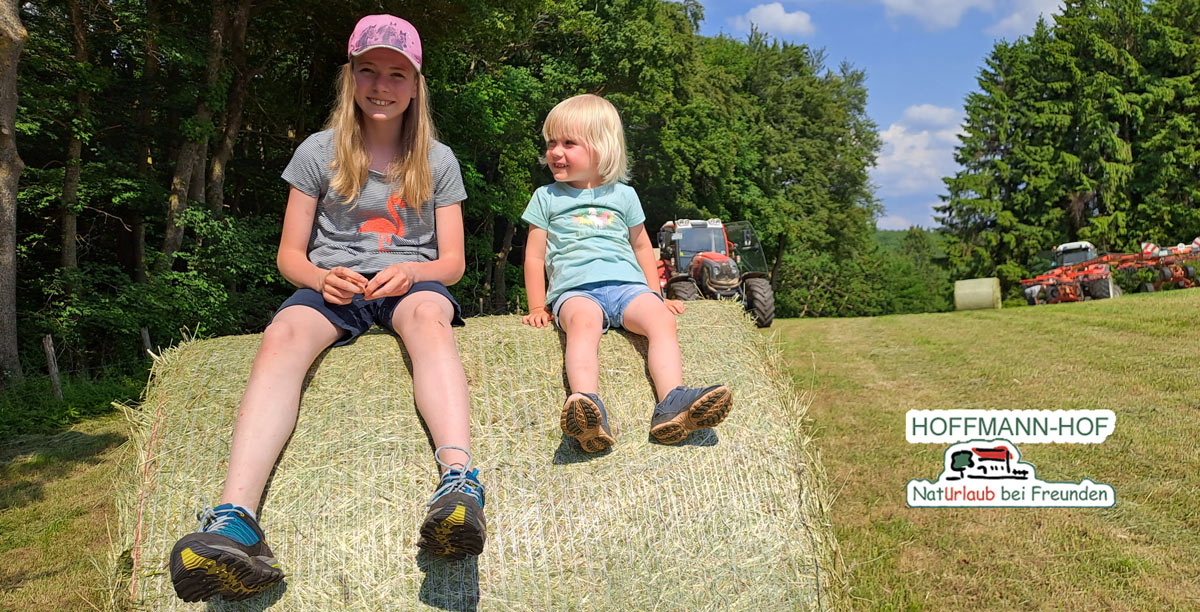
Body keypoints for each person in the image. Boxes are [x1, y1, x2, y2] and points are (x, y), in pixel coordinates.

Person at [166, 15, 485, 603]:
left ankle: (459, 483)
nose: (382, 85)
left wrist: (414, 272)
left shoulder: (437, 161)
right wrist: (319, 277)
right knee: (282, 334)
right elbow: (289, 255)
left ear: (415, 86)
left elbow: (454, 263)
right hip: (333, 283)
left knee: (428, 321)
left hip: (408, 282)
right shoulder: (318, 152)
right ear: (351, 78)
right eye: (369, 70)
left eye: (396, 74)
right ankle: (235, 518)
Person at [520, 94, 733, 453]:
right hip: (576, 291)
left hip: (627, 286)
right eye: (551, 143)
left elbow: (640, 247)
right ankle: (587, 408)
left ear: (601, 148)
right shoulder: (546, 197)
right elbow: (533, 255)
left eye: (568, 143)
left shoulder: (624, 195)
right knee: (583, 326)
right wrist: (538, 306)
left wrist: (656, 295)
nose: (555, 152)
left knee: (660, 322)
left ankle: (672, 402)